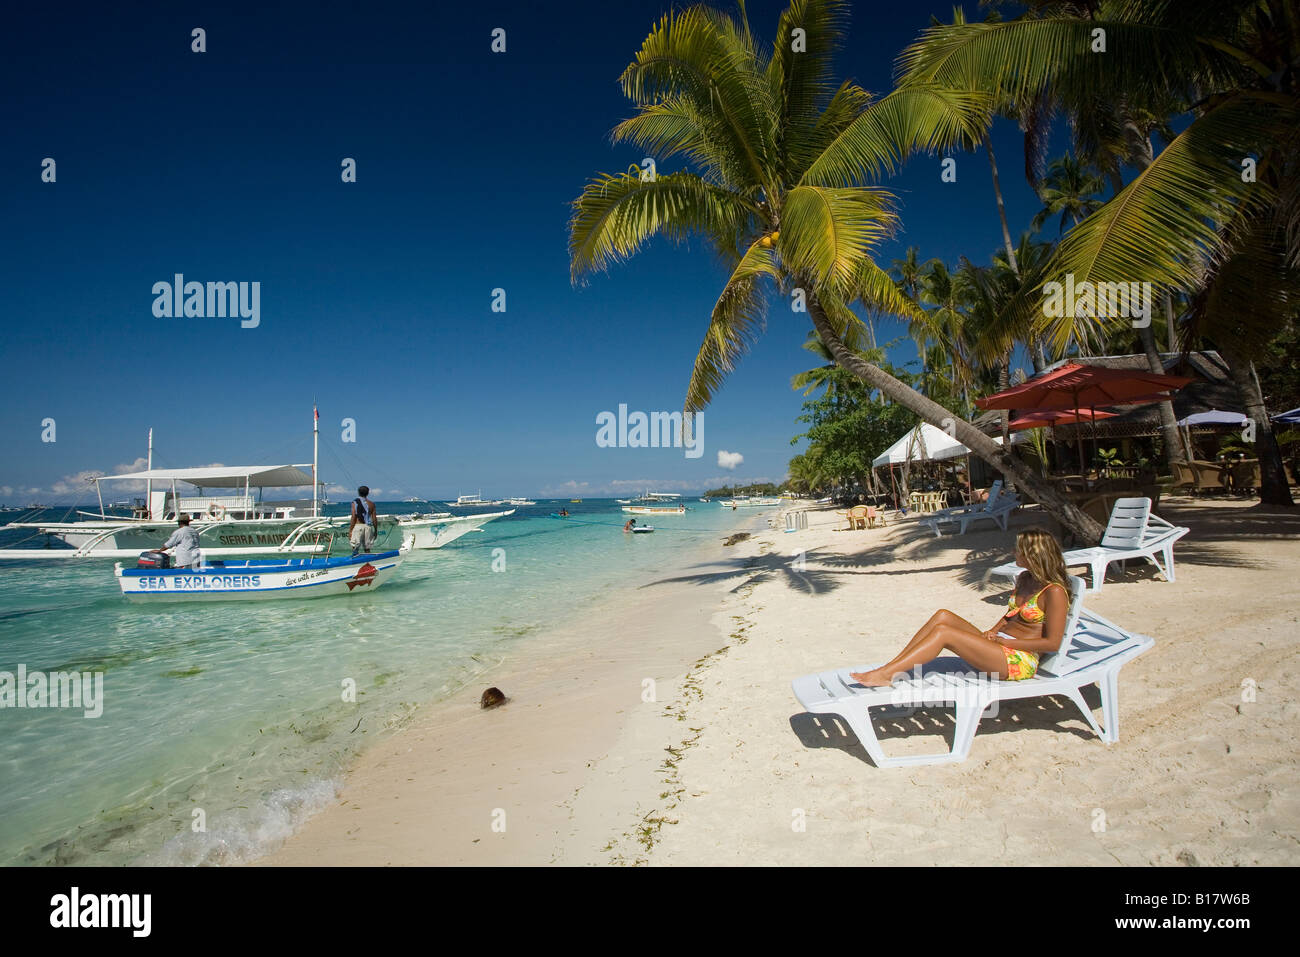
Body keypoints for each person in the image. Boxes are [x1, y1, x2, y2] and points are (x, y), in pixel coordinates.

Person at [849, 528, 1070, 687]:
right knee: (943, 616)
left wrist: (1005, 641)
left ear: (1034, 555)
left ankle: (887, 674)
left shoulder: (1054, 592)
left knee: (945, 633)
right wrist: (994, 631)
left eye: (1018, 549)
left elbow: (1052, 643)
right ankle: (889, 667)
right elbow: (1010, 615)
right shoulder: (1025, 578)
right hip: (999, 646)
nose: (1014, 552)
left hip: (1018, 660)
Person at [349, 485, 378, 555]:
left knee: (355, 547)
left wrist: (350, 530)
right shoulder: (371, 504)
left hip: (358, 526)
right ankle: (368, 562)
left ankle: (355, 562)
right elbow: (374, 518)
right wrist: (375, 530)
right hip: (368, 527)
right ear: (367, 493)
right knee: (367, 548)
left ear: (358, 493)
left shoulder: (355, 502)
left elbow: (354, 516)